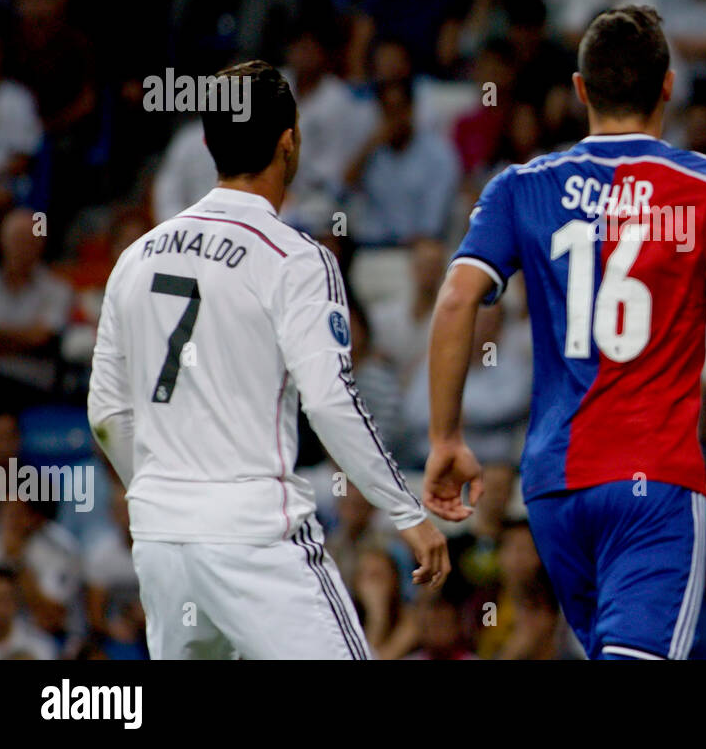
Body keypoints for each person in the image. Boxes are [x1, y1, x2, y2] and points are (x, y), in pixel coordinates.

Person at [423, 6, 706, 660]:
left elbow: (455, 301)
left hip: (553, 488)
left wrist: (444, 437)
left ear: (580, 89)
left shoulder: (520, 186)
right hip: (653, 483)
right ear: (668, 86)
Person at [86, 61, 449, 660]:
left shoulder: (136, 257)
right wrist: (406, 512)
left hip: (162, 541)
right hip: (256, 537)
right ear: (290, 141)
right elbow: (331, 400)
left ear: (207, 143)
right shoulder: (294, 258)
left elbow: (105, 410)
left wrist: (159, 492)